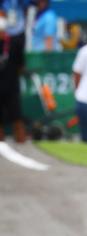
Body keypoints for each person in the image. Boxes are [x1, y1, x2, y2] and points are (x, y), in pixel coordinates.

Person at [0, 8, 27, 142]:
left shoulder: (14, 42)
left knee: (16, 114)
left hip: (11, 84)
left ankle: (21, 139)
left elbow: (21, 64)